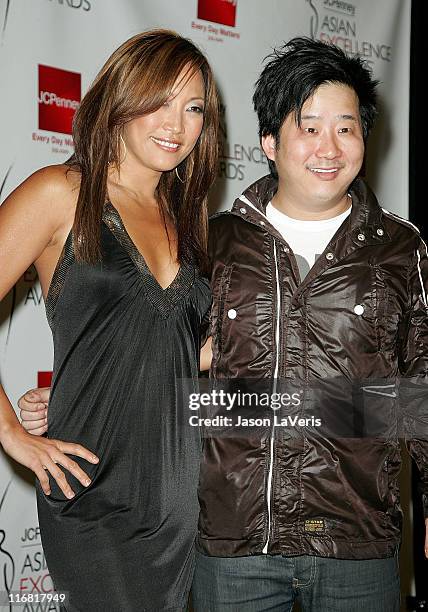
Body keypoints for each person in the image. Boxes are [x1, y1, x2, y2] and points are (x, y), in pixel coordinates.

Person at [19, 37, 428, 611]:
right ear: (269, 141)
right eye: (308, 127)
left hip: (354, 542)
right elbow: (180, 354)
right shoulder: (216, 240)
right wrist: (72, 393)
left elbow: (418, 395)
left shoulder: (402, 250)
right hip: (231, 541)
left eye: (346, 127)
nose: (328, 147)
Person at [1, 29, 218, 611]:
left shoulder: (190, 223)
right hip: (93, 494)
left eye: (193, 107)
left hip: (184, 493)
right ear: (120, 99)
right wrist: (11, 434)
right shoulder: (60, 193)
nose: (176, 122)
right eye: (159, 100)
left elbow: (181, 351)